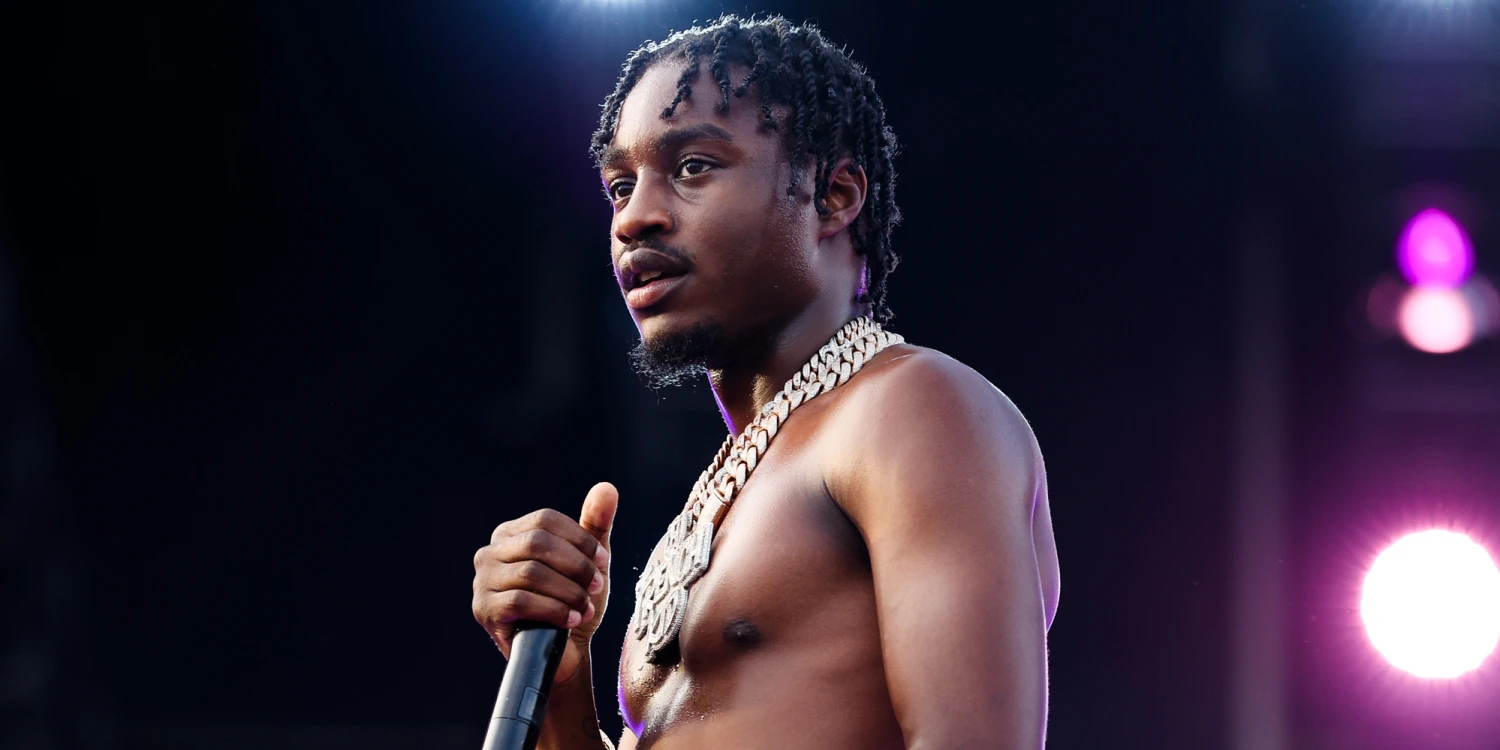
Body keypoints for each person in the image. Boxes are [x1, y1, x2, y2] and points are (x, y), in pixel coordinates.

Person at [472, 14, 1059, 749]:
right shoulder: (730, 487)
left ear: (833, 195)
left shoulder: (912, 408)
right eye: (621, 185)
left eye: (693, 167)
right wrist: (562, 685)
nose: (633, 219)